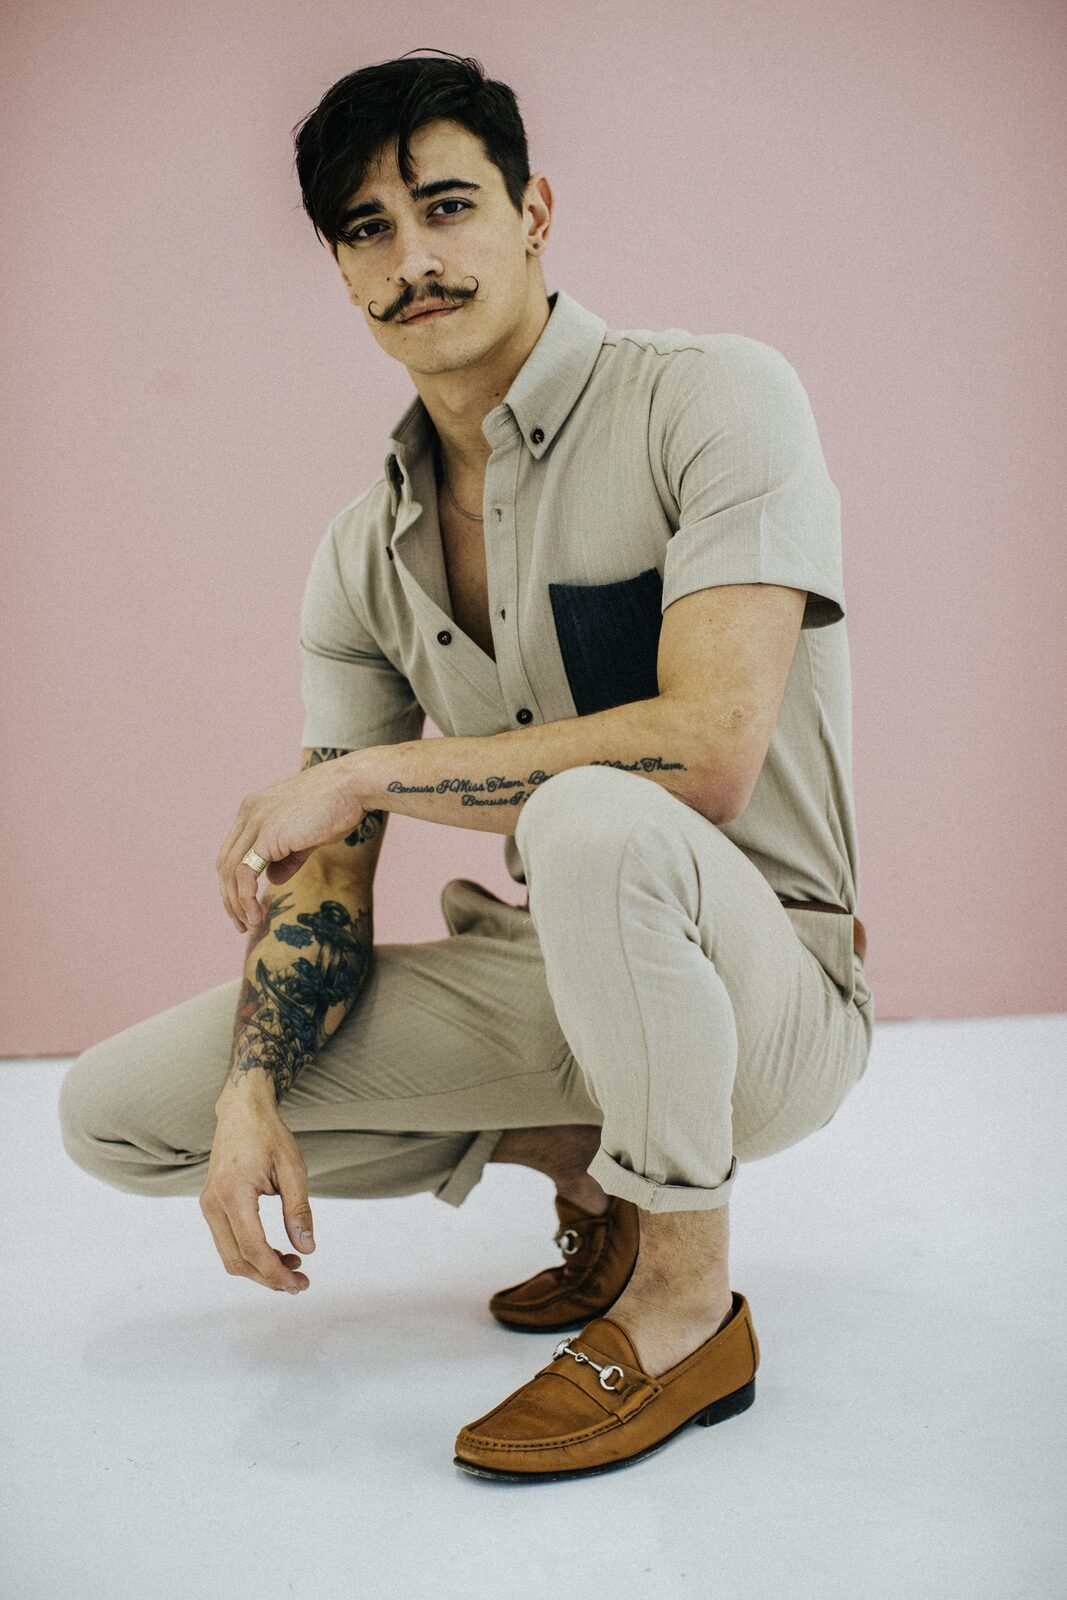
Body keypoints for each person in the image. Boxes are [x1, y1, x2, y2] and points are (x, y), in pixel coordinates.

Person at [59, 49, 874, 1483]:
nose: (414, 258)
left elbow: (709, 753)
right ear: (338, 266)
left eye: (447, 207)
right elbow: (330, 875)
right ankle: (583, 1160)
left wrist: (372, 776)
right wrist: (255, 1090)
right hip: (559, 980)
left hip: (770, 1001)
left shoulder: (715, 399)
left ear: (532, 209)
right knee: (122, 1115)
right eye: (369, 230)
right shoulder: (359, 555)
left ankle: (685, 1310)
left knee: (597, 820)